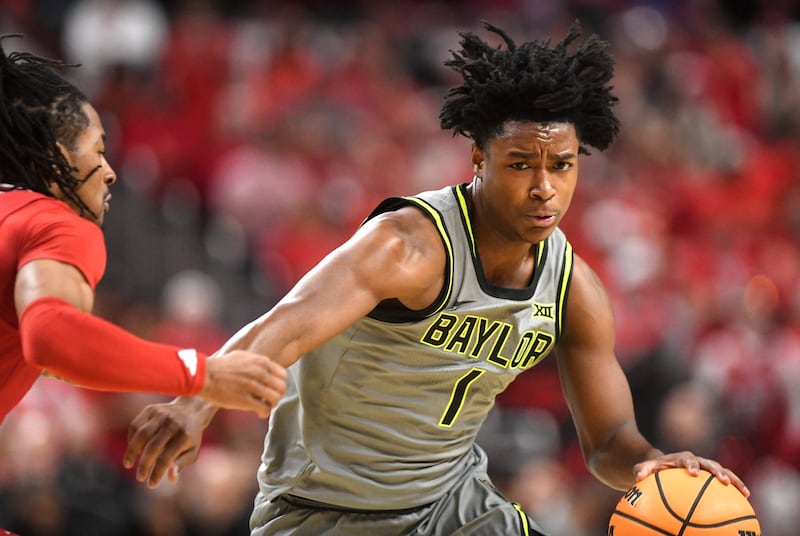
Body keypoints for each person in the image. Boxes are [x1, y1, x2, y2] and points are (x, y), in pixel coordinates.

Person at [124, 22, 749, 535]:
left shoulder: (573, 288)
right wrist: (194, 406)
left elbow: (609, 439)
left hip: (456, 509)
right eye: (520, 164)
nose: (543, 187)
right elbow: (278, 330)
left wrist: (651, 464)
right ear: (478, 158)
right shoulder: (409, 245)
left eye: (561, 166)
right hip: (326, 510)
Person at [0, 34, 287, 425]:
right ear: (56, 158)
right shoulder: (54, 223)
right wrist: (204, 374)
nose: (110, 172)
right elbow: (49, 335)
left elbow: (53, 352)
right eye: (98, 151)